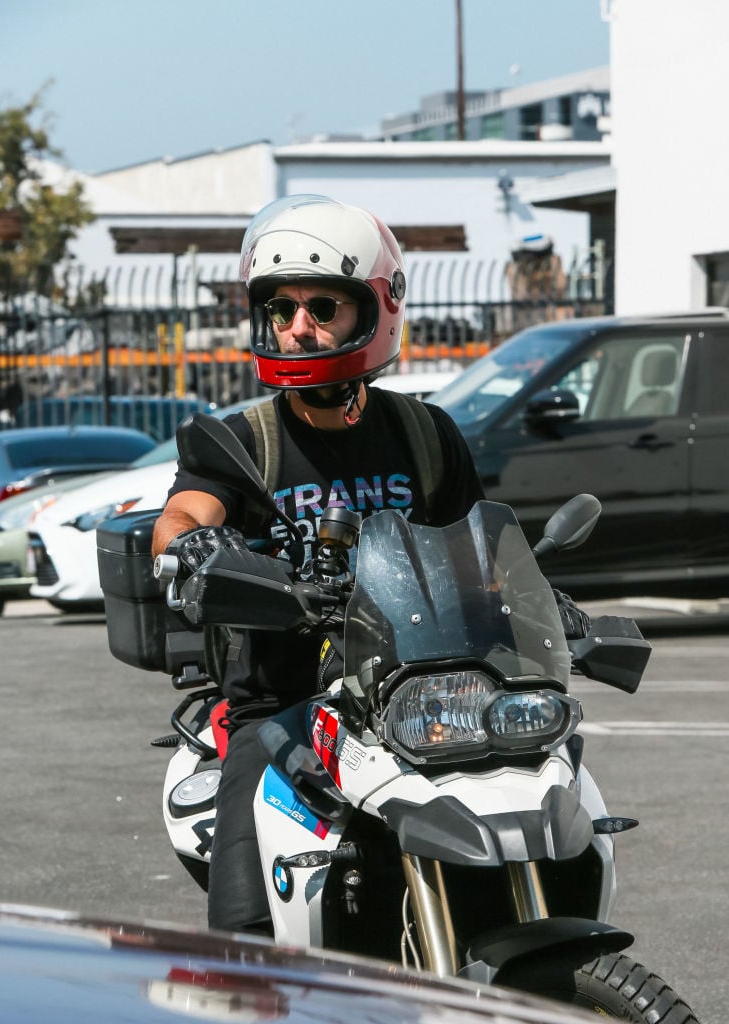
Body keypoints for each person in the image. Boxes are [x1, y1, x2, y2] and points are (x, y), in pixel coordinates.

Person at [151, 194, 582, 935]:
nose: (298, 325)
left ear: (373, 309)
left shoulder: (424, 434)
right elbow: (184, 514)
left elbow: (477, 552)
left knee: (551, 772)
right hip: (283, 702)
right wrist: (190, 549)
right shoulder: (243, 442)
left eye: (323, 305)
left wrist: (537, 598)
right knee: (247, 933)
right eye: (281, 308)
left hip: (421, 695)